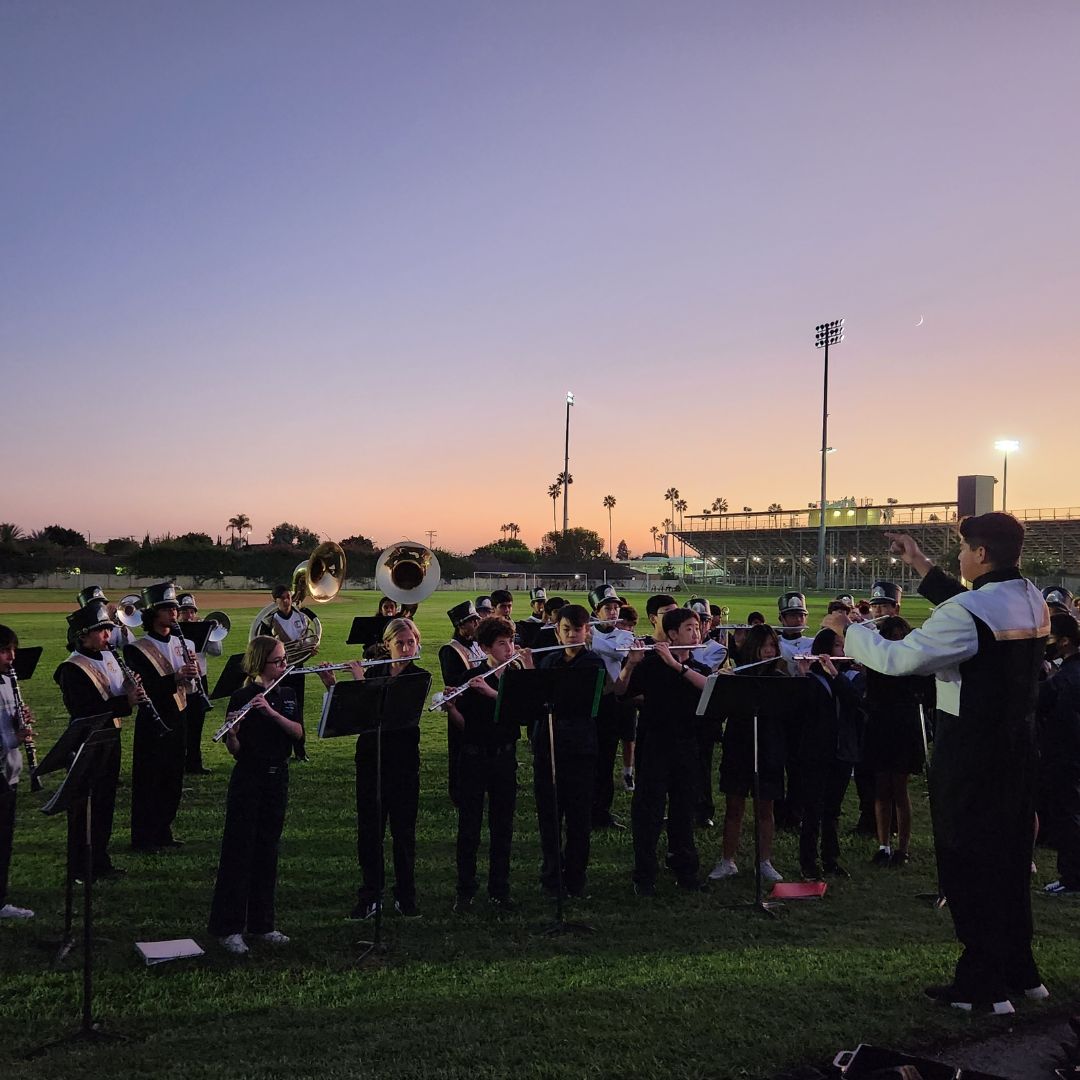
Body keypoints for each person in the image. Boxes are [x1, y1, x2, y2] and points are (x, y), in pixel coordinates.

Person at [826, 514, 1050, 1013]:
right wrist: (920, 563)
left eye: (964, 550)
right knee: (1011, 863)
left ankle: (983, 988)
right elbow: (972, 606)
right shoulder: (1031, 596)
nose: (961, 558)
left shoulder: (973, 610)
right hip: (1018, 748)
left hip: (970, 752)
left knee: (968, 864)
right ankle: (1022, 973)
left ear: (982, 555)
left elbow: (900, 659)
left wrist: (851, 629)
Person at [208, 636, 304, 955]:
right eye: (278, 661)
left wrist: (272, 713)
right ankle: (228, 928)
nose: (283, 665)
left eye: (283, 660)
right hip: (250, 778)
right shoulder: (243, 695)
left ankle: (263, 924)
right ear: (261, 664)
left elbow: (297, 733)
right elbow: (236, 751)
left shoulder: (288, 693)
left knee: (268, 850)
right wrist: (232, 735)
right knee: (240, 852)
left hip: (278, 776)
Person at [337, 618, 427, 920]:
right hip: (370, 760)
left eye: (410, 642)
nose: (405, 648)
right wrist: (335, 687)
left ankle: (406, 895)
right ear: (387, 645)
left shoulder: (419, 676)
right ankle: (370, 895)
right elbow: (352, 717)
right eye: (399, 643)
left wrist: (362, 684)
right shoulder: (373, 671)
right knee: (369, 832)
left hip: (402, 763)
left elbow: (393, 712)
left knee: (403, 832)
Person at [616, 608, 710, 895]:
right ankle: (644, 875)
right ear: (671, 634)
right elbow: (621, 693)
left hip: (688, 746)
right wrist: (631, 664)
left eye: (697, 628)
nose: (696, 633)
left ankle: (685, 869)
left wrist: (676, 664)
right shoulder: (650, 666)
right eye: (689, 628)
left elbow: (709, 690)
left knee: (684, 809)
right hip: (655, 744)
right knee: (649, 811)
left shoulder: (699, 669)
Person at [443, 616, 525, 912]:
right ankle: (465, 890)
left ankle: (499, 890)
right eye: (501, 644)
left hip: (504, 758)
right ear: (486, 647)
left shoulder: (516, 677)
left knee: (502, 827)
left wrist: (492, 692)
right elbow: (464, 726)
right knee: (469, 828)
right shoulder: (471, 677)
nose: (508, 649)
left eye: (510, 642)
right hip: (475, 759)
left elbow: (522, 715)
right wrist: (452, 708)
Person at [55, 600, 142, 881]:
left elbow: (117, 693)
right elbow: (85, 709)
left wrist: (132, 690)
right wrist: (126, 700)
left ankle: (100, 860)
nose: (108, 636)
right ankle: (81, 865)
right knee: (85, 808)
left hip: (110, 738)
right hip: (86, 742)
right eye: (101, 631)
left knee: (105, 802)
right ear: (83, 635)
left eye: (108, 630)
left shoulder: (109, 657)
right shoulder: (71, 668)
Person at [532, 604, 606, 898]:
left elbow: (578, 702)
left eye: (578, 629)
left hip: (579, 749)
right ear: (557, 633)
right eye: (566, 630)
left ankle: (575, 879)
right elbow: (534, 702)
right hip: (546, 747)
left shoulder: (593, 664)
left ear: (587, 631)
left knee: (578, 818)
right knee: (549, 816)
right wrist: (527, 669)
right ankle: (551, 878)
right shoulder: (547, 661)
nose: (572, 634)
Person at [710, 625, 789, 883]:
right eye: (764, 646)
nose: (769, 651)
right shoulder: (738, 678)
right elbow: (718, 711)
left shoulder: (780, 680)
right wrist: (721, 681)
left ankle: (764, 861)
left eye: (773, 646)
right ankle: (727, 860)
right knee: (734, 806)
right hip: (739, 745)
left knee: (766, 807)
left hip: (769, 747)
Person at [124, 583, 198, 852]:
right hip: (153, 721)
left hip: (180, 715)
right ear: (154, 613)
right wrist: (177, 677)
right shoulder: (137, 649)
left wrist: (192, 678)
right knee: (149, 779)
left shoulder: (184, 643)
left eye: (175, 608)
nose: (174, 613)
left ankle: (164, 830)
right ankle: (144, 837)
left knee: (173, 777)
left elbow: (187, 687)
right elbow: (146, 687)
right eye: (168, 608)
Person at [862, 616, 934, 868]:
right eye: (891, 637)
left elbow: (925, 691)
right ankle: (884, 845)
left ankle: (903, 847)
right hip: (881, 726)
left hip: (904, 727)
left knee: (899, 788)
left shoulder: (913, 663)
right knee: (882, 787)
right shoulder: (877, 663)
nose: (895, 642)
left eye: (899, 637)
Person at [795, 628, 865, 881]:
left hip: (843, 751)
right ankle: (808, 861)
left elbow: (854, 701)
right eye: (837, 645)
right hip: (816, 753)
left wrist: (836, 675)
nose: (842, 650)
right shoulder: (812, 679)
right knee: (812, 808)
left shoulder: (852, 676)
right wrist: (805, 678)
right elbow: (803, 712)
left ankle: (830, 858)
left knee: (832, 810)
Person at [1037, 613, 1080, 896]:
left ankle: (1072, 877)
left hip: (1067, 756)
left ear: (1064, 641)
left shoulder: (1069, 675)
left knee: (1069, 818)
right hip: (1069, 754)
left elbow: (1046, 704)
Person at [252, 584, 317, 762]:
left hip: (297, 668)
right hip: (277, 672)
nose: (287, 601)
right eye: (283, 598)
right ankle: (283, 750)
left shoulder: (301, 617)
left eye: (289, 597)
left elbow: (306, 640)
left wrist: (309, 648)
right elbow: (261, 646)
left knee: (297, 709)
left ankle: (300, 751)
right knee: (279, 708)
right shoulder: (269, 621)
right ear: (275, 601)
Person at [586, 585, 632, 830]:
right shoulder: (583, 631)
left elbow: (617, 653)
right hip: (585, 700)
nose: (614, 612)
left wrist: (592, 639)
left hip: (610, 701)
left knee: (605, 758)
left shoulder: (624, 635)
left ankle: (602, 811)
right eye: (608, 608)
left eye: (616, 608)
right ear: (597, 611)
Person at [0, 625, 35, 920]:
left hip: (9, 770)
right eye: (4, 651)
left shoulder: (7, 682)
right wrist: (16, 737)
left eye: (13, 650)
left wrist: (19, 721)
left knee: (4, 839)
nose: (12, 658)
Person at [439, 600, 486, 806]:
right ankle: (458, 792)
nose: (477, 623)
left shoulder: (478, 644)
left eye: (477, 619)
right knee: (459, 751)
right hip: (460, 706)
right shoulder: (450, 650)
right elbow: (452, 679)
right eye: (472, 620)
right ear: (460, 625)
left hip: (479, 705)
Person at [177, 593, 222, 775]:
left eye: (191, 612)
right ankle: (179, 762)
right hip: (180, 679)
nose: (189, 616)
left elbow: (217, 651)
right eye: (184, 612)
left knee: (197, 723)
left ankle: (195, 762)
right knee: (181, 723)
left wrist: (208, 633)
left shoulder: (201, 627)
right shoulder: (173, 631)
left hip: (199, 678)